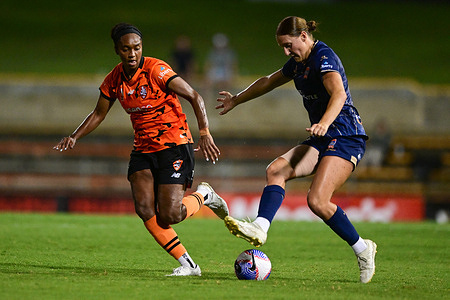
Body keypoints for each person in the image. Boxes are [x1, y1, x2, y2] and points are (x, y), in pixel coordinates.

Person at [53, 23, 229, 277]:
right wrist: (74, 136)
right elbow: (98, 113)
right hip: (143, 150)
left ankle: (204, 196)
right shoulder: (114, 79)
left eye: (137, 47)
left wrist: (204, 133)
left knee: (170, 214)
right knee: (145, 209)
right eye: (126, 49)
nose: (132, 53)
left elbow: (194, 96)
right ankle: (188, 265)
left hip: (174, 146)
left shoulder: (156, 70)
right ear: (117, 50)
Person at [216, 16, 377, 283]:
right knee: (276, 170)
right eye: (283, 47)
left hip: (346, 135)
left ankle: (363, 249)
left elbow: (339, 94)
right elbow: (268, 80)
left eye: (289, 45)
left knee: (317, 201)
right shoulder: (297, 63)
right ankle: (260, 227)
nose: (287, 52)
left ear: (304, 36)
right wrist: (236, 99)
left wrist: (324, 123)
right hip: (322, 136)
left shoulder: (324, 57)